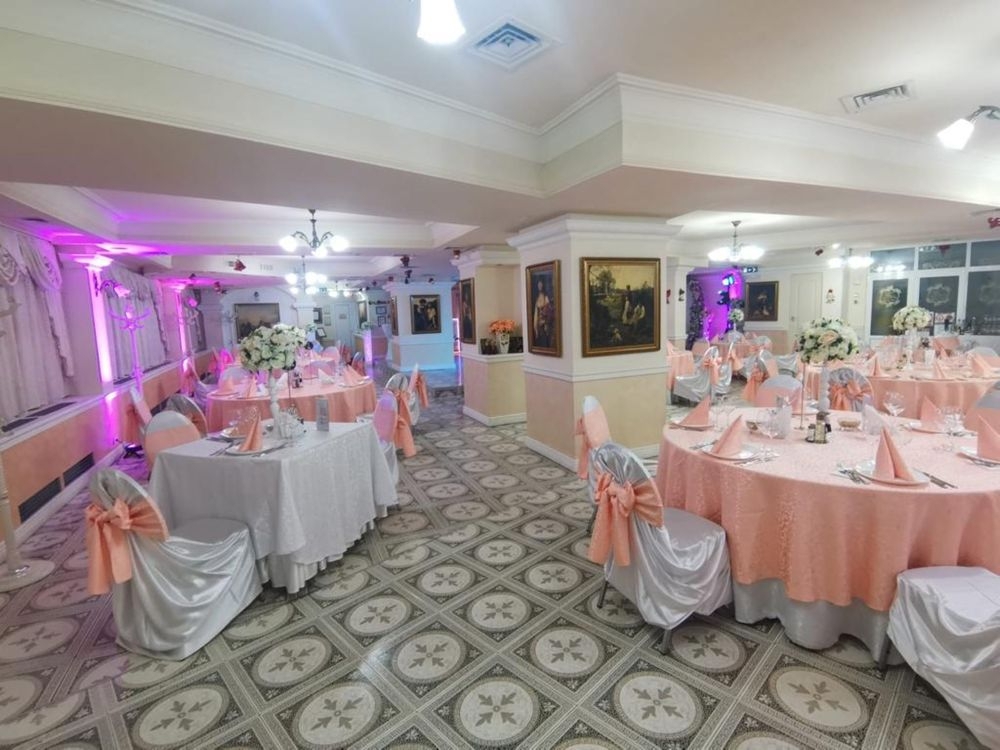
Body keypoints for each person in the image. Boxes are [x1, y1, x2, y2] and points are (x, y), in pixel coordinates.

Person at [533, 279, 553, 348]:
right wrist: (535, 325)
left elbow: (549, 311)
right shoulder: (537, 297)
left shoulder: (546, 297)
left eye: (541, 285)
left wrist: (545, 321)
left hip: (544, 325)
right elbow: (536, 313)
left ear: (543, 285)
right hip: (538, 324)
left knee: (545, 342)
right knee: (539, 342)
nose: (540, 286)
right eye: (539, 285)